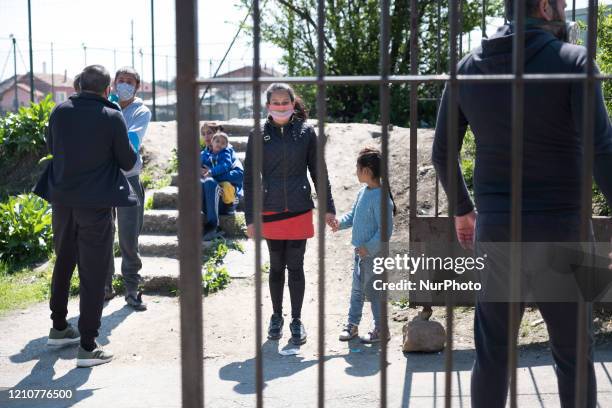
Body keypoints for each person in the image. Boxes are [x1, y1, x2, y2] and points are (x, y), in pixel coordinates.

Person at [432, 0, 612, 406]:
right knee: (575, 355)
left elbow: (442, 153)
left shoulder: (468, 68)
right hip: (567, 228)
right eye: (563, 4)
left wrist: (463, 208)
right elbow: (602, 150)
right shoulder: (574, 60)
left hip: (497, 228)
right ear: (545, 8)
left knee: (492, 354)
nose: (566, 10)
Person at [33, 64, 137, 367]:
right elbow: (128, 160)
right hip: (95, 205)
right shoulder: (112, 115)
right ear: (108, 90)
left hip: (62, 200)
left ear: (78, 86)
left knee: (63, 261)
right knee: (92, 272)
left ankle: (59, 327)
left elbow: (52, 148)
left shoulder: (60, 111)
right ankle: (89, 346)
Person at [243, 83, 336, 345]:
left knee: (295, 265)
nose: (281, 107)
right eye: (276, 102)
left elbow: (319, 172)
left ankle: (296, 319)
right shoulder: (257, 135)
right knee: (275, 266)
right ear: (268, 106)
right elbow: (249, 180)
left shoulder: (306, 132)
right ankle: (276, 316)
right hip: (270, 208)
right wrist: (250, 218)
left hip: (299, 208)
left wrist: (328, 207)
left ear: (293, 105)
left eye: (286, 102)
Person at [331, 147, 395, 343]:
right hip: (361, 254)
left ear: (367, 170)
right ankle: (352, 325)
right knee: (357, 291)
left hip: (373, 256)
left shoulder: (381, 198)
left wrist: (369, 248)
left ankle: (381, 329)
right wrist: (339, 222)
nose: (356, 172)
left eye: (357, 168)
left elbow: (386, 230)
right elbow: (354, 216)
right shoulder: (362, 193)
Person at [104, 67, 152, 311]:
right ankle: (105, 286)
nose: (124, 85)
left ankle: (132, 289)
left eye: (129, 81)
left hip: (129, 178)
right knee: (103, 233)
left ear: (137, 86)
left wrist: (111, 113)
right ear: (113, 83)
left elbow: (130, 142)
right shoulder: (103, 105)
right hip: (102, 177)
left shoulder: (141, 111)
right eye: (120, 81)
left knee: (129, 237)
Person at [200, 126, 244, 241]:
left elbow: (239, 175)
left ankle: (214, 227)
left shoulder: (228, 153)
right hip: (210, 200)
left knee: (209, 182)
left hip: (227, 199)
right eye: (203, 133)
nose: (206, 137)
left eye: (209, 133)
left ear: (216, 134)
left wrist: (212, 174)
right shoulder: (204, 155)